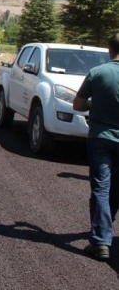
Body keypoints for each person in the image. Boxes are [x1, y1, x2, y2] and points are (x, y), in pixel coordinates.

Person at [73, 33, 119, 261]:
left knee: (101, 188)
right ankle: (103, 233)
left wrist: (96, 103)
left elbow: (78, 104)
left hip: (100, 137)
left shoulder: (98, 73)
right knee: (115, 189)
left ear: (110, 49)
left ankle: (101, 240)